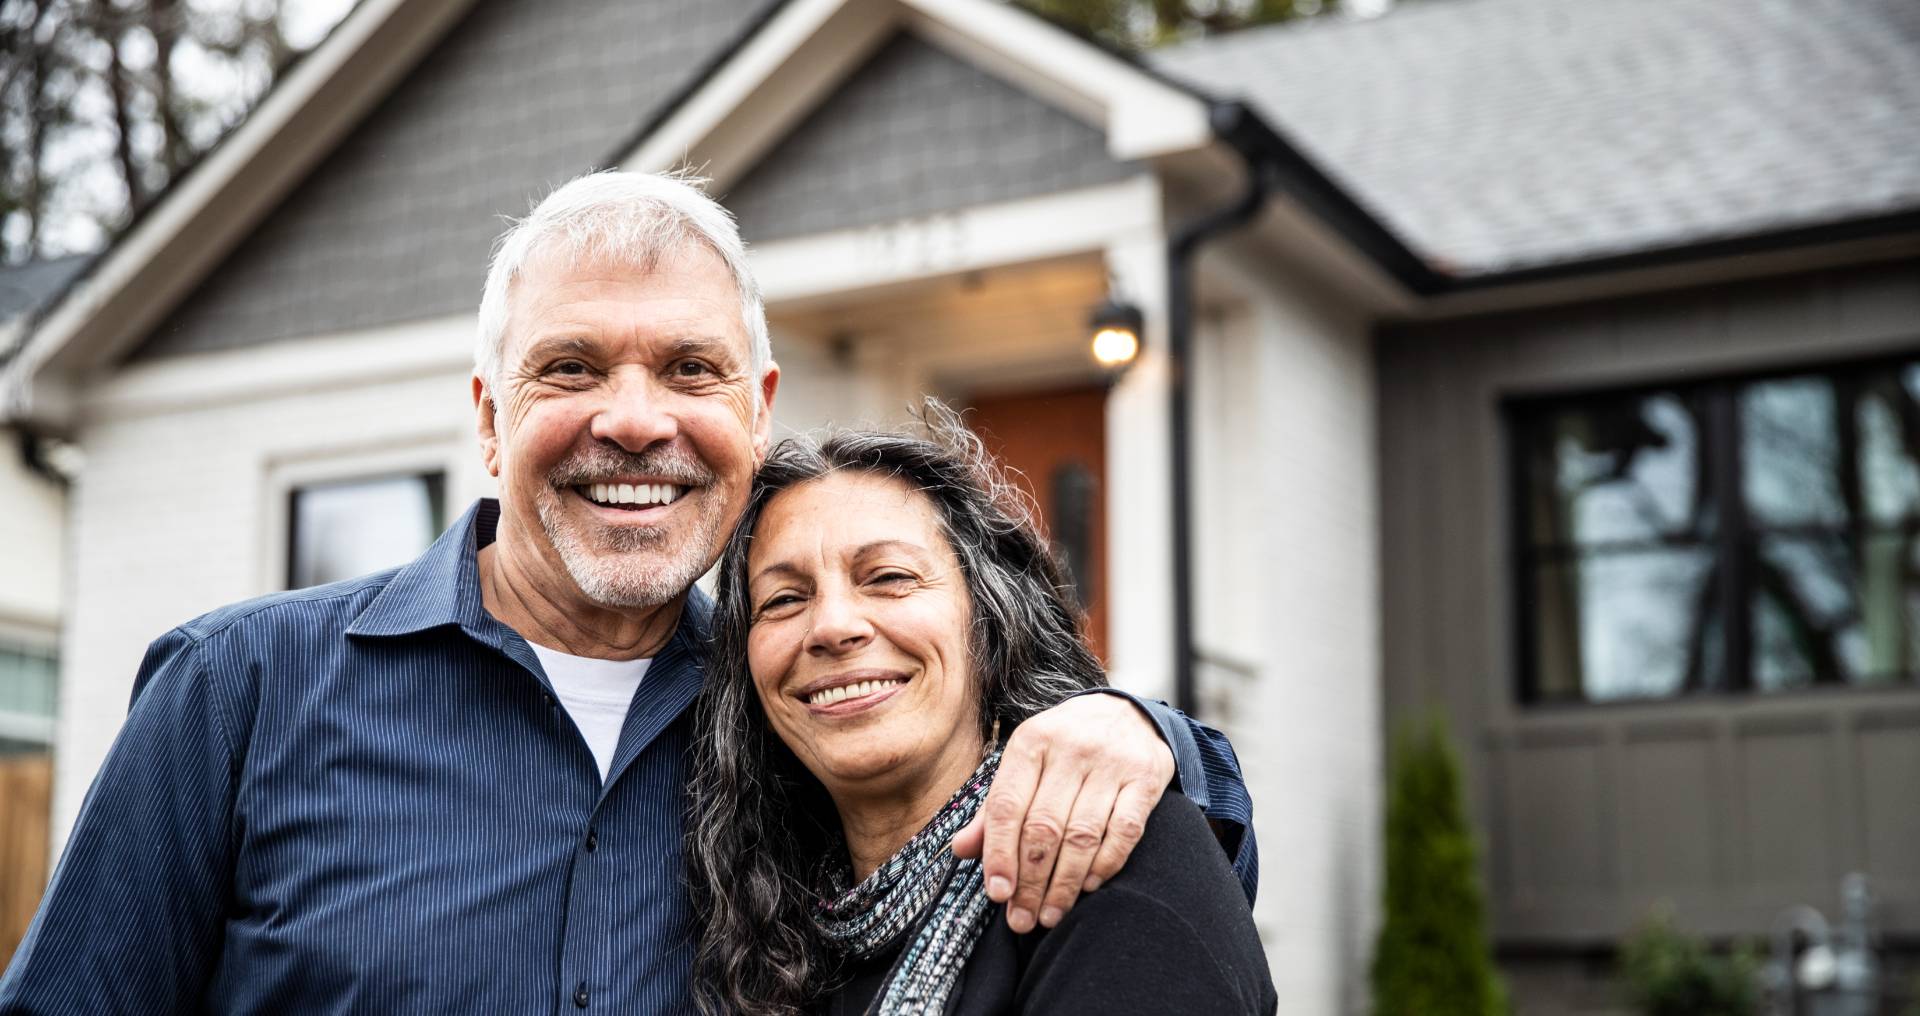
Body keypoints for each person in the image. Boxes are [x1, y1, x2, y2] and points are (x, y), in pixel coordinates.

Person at [0, 172, 1256, 1014]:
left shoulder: (795, 721)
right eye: (573, 366)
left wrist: (1143, 732)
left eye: (691, 368)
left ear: (755, 416)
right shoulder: (240, 692)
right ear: (492, 420)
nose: (637, 419)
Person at [689, 414, 1276, 1015]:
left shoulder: (1108, 853)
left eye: (889, 577)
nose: (833, 626)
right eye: (784, 599)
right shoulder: (759, 927)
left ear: (992, 623)